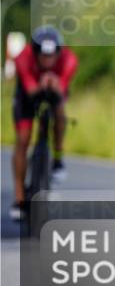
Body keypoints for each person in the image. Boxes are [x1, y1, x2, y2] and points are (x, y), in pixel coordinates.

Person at [9, 26, 78, 221]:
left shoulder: (69, 60)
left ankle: (57, 157)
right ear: (35, 52)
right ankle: (20, 200)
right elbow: (31, 91)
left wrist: (55, 84)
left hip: (54, 89)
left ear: (59, 52)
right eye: (43, 56)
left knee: (59, 113)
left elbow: (62, 88)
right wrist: (41, 84)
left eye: (52, 56)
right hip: (27, 93)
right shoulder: (23, 58)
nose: (47, 61)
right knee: (23, 139)